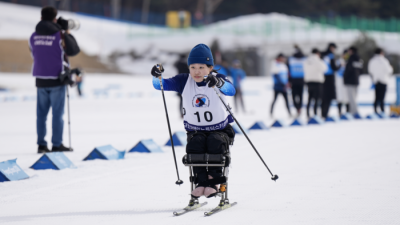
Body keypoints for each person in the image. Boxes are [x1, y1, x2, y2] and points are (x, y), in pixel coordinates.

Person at [150, 44, 236, 199]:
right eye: (193, 67)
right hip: (195, 130)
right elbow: (160, 85)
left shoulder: (219, 79)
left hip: (220, 129)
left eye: (201, 67)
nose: (197, 71)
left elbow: (231, 90)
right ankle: (201, 182)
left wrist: (218, 83)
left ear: (210, 68)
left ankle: (213, 182)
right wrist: (157, 76)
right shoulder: (184, 80)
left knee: (214, 143)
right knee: (195, 146)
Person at [30, 6, 80, 153]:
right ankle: (57, 144)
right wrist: (66, 32)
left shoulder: (33, 36)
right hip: (58, 79)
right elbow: (73, 50)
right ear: (55, 19)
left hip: (40, 79)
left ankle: (41, 145)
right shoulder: (60, 35)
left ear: (40, 18)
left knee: (41, 115)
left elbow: (35, 53)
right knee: (57, 114)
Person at [368, 48, 393, 114]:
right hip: (384, 80)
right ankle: (382, 111)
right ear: (381, 53)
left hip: (376, 81)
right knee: (382, 98)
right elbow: (389, 70)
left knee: (376, 97)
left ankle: (375, 111)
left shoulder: (372, 61)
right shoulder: (384, 61)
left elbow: (370, 71)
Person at [303, 48, 327, 118]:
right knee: (317, 98)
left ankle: (307, 113)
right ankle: (315, 113)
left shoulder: (306, 60)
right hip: (317, 81)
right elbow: (324, 68)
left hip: (309, 81)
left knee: (309, 98)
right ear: (317, 53)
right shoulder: (318, 60)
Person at [321, 43, 339, 119]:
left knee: (323, 97)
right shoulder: (331, 55)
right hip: (329, 78)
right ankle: (325, 113)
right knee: (329, 97)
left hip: (322, 77)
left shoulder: (322, 55)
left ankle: (322, 113)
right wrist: (340, 65)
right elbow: (334, 67)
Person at [343, 47, 363, 115]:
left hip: (350, 81)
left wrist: (345, 78)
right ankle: (353, 111)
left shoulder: (350, 59)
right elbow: (361, 71)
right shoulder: (359, 59)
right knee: (354, 97)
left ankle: (354, 112)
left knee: (351, 98)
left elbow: (348, 70)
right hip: (356, 80)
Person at [288, 45, 306, 116]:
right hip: (302, 80)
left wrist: (289, 81)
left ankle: (297, 108)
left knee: (294, 96)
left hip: (293, 81)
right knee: (301, 96)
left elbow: (288, 71)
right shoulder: (304, 59)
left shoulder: (291, 59)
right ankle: (299, 108)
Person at [335, 49, 350, 116]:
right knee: (340, 96)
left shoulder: (349, 62)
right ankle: (339, 112)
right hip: (340, 80)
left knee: (347, 96)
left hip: (347, 80)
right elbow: (336, 70)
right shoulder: (339, 61)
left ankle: (347, 112)